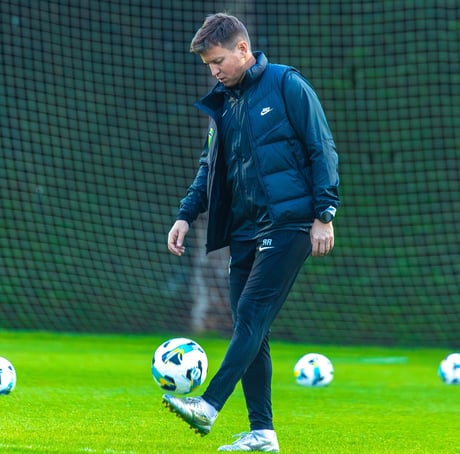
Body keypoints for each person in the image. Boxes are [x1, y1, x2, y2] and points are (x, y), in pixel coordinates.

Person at [164, 13, 340, 452]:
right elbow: (209, 168)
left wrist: (325, 212)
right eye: (208, 64)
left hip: (290, 222)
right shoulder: (223, 104)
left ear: (242, 49)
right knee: (251, 326)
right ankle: (262, 433)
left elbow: (321, 147)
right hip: (243, 229)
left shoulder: (286, 84)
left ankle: (208, 405)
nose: (214, 71)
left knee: (250, 314)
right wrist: (186, 214)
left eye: (218, 61)